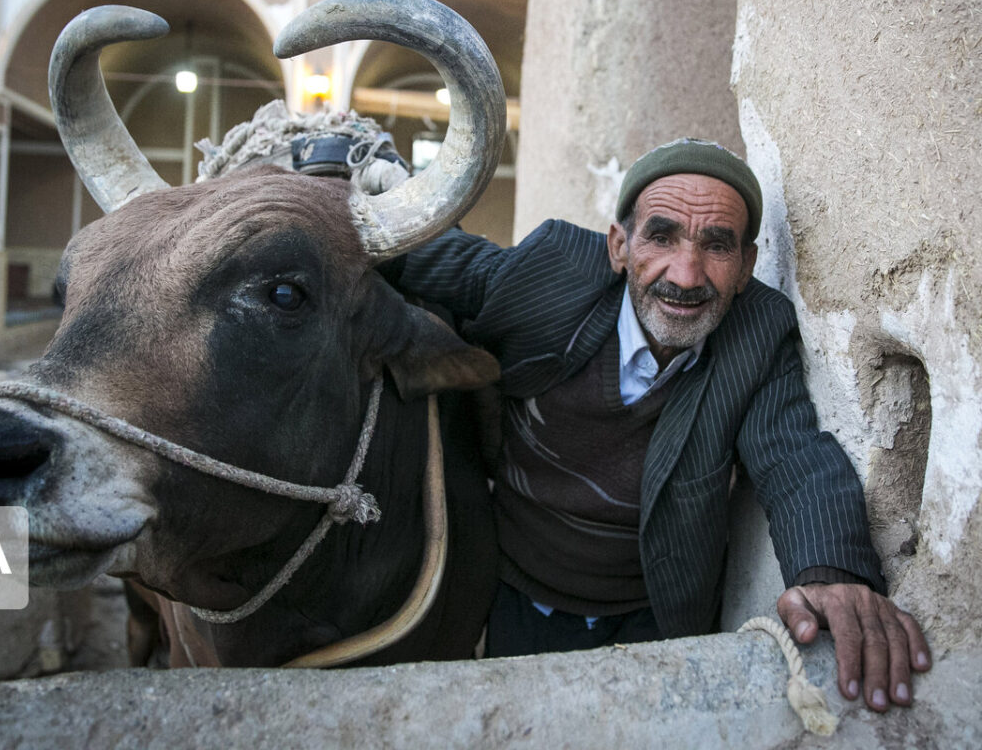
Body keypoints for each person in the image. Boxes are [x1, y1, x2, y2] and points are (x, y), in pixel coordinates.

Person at [383, 138, 930, 711]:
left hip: (657, 618)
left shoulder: (758, 333)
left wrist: (831, 572)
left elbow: (794, 455)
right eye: (661, 237)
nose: (687, 275)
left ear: (746, 266)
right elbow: (434, 260)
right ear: (619, 246)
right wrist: (324, 205)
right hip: (514, 590)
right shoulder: (552, 270)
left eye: (717, 245)